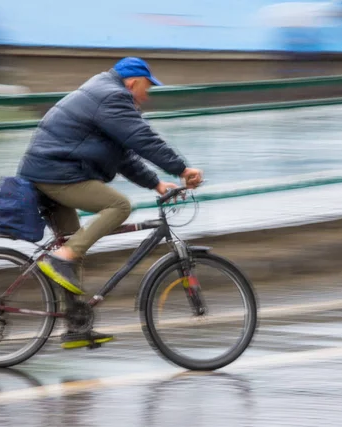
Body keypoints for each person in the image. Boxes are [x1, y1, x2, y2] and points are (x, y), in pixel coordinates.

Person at [17, 57, 203, 347]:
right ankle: (59, 259)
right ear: (132, 83)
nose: (146, 96)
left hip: (50, 170)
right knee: (118, 207)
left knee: (72, 243)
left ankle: (76, 325)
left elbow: (124, 154)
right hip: (57, 173)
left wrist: (155, 182)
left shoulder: (104, 95)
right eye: (146, 88)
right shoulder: (113, 97)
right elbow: (143, 138)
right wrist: (181, 169)